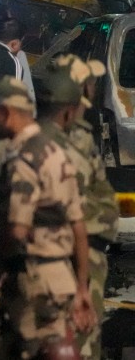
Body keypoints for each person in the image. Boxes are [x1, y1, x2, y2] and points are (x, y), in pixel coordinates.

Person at [0, 75, 94, 359]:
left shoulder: (24, 159)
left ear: (5, 112)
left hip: (33, 279)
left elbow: (17, 230)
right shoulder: (56, 152)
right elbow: (78, 226)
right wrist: (82, 287)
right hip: (61, 277)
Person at [43, 56, 118, 360]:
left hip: (82, 253)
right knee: (78, 342)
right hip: (75, 257)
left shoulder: (78, 134)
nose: (93, 87)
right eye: (88, 81)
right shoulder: (64, 144)